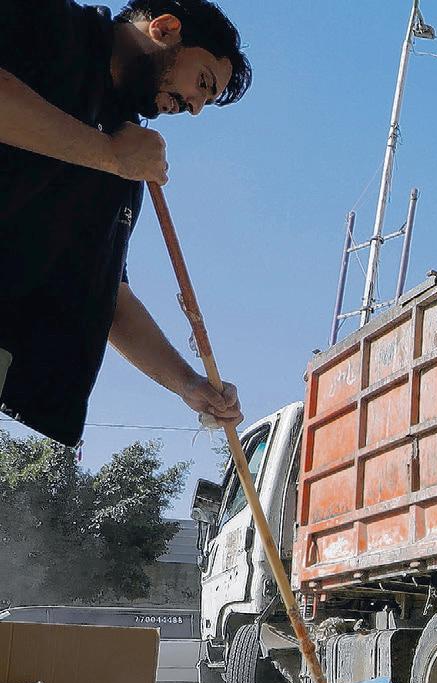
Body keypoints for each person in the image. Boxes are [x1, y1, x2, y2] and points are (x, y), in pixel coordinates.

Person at [0, 0, 251, 447]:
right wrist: (108, 155)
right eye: (202, 82)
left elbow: (108, 295)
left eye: (205, 103)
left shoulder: (126, 162)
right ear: (165, 28)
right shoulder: (47, 22)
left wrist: (189, 384)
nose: (194, 108)